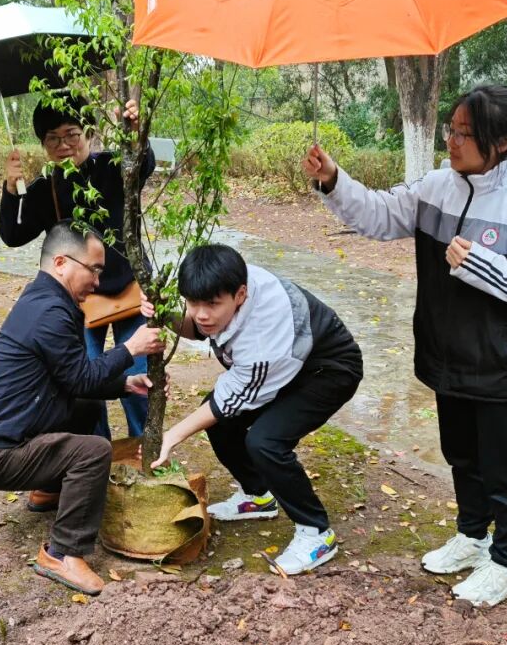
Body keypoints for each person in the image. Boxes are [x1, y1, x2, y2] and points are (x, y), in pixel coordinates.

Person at [302, 83, 507, 608]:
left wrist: (480, 265)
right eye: (452, 128)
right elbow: (379, 214)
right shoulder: (435, 188)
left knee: (505, 468)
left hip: (503, 362)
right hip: (448, 354)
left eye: (466, 133)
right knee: (461, 455)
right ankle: (473, 536)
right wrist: (333, 179)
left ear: (501, 143)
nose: (452, 140)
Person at [0, 222, 163, 596]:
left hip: (10, 439)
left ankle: (48, 488)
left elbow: (72, 378)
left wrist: (125, 384)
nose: (98, 281)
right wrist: (131, 349)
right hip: (0, 456)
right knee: (93, 451)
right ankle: (62, 553)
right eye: (94, 269)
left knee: (87, 406)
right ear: (61, 263)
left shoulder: (46, 299)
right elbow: (81, 378)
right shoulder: (51, 312)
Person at [151, 243, 363, 577]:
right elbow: (197, 329)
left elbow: (229, 400)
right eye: (192, 302)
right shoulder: (227, 286)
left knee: (266, 441)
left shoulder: (264, 335)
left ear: (240, 295)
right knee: (219, 423)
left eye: (212, 305)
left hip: (328, 370)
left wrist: (171, 436)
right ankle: (258, 495)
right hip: (289, 364)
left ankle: (317, 533)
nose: (201, 314)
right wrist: (164, 313)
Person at [0, 99, 155, 439]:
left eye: (72, 134)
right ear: (43, 144)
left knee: (140, 377)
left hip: (131, 292)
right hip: (80, 302)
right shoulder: (46, 188)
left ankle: (145, 447)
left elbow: (143, 164)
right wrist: (11, 190)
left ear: (89, 133)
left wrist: (135, 133)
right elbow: (13, 234)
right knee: (86, 384)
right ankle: (98, 450)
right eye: (52, 138)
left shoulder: (113, 167)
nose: (64, 145)